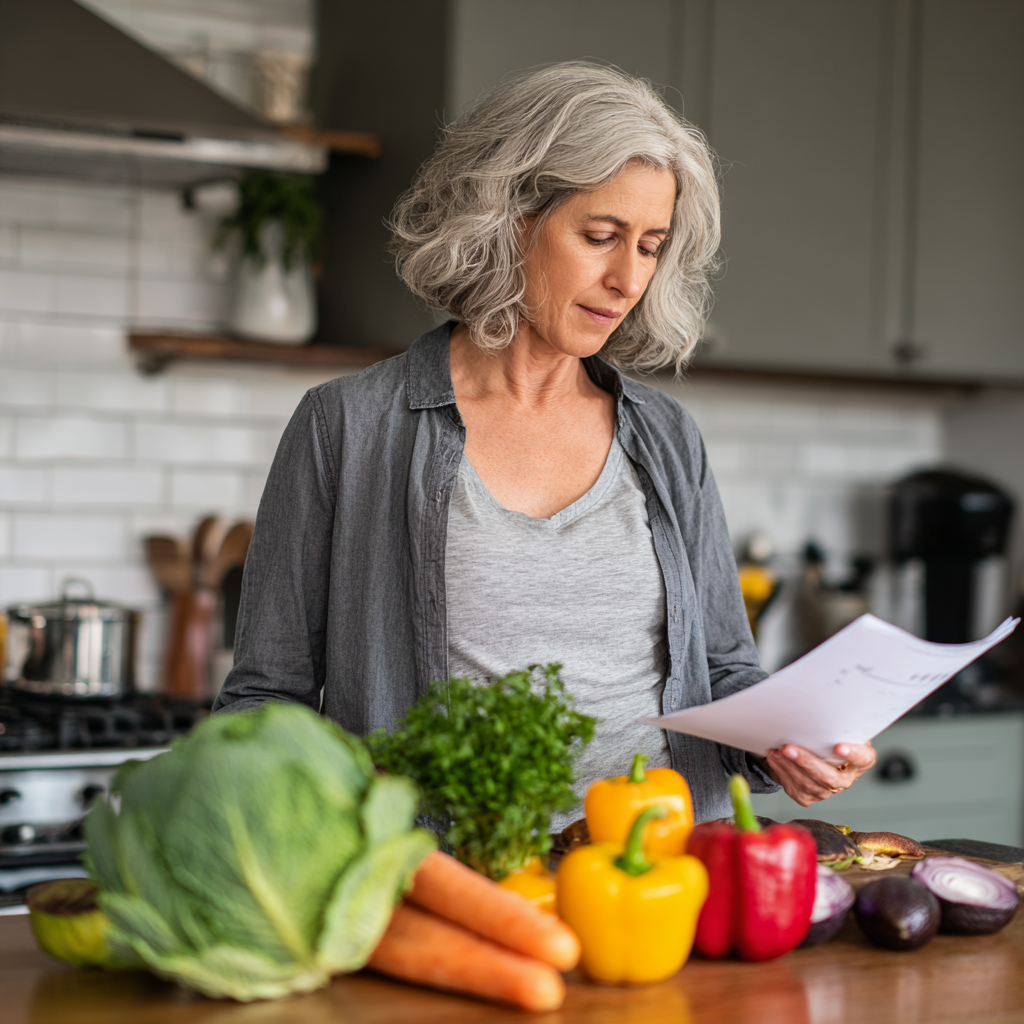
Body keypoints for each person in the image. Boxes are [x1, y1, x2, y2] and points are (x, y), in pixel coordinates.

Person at [213, 62, 875, 823]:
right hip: (445, 894)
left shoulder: (665, 438)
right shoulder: (349, 427)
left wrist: (786, 740)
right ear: (510, 219)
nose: (629, 279)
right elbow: (266, 700)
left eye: (651, 246)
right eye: (601, 236)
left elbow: (723, 672)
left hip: (649, 887)